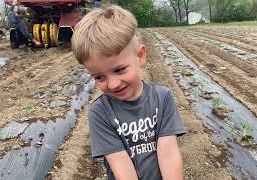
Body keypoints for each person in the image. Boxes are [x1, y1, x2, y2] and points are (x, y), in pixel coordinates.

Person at [71, 5, 186, 180]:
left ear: (140, 56)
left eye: (119, 70)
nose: (113, 83)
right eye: (100, 77)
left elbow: (168, 153)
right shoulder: (100, 112)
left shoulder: (163, 98)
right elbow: (121, 165)